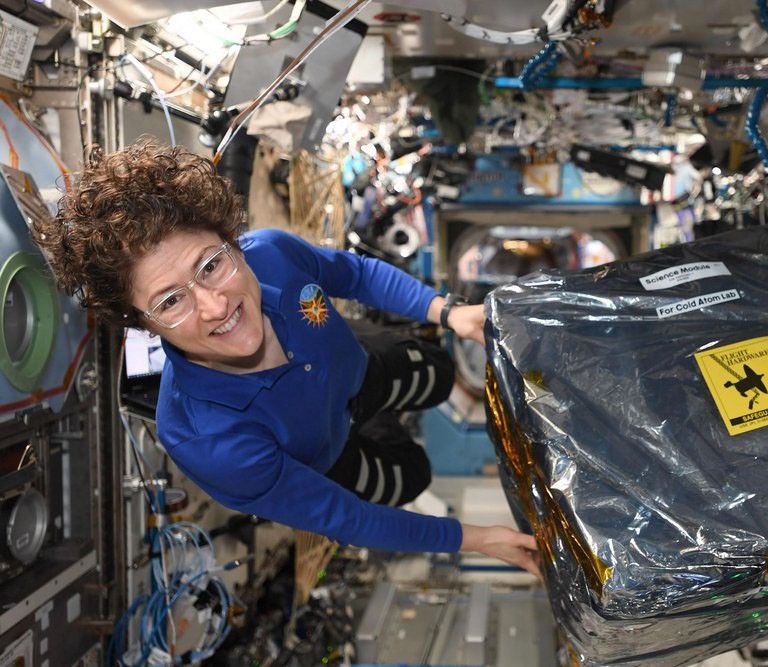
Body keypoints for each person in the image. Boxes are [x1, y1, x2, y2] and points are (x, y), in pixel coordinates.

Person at [35, 139, 539, 576]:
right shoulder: (209, 439)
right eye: (170, 301)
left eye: (211, 265)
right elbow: (347, 517)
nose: (215, 306)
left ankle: (384, 404)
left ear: (235, 244)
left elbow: (356, 275)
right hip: (327, 456)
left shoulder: (274, 255)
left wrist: (447, 312)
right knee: (413, 476)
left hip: (356, 372)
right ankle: (379, 435)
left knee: (440, 372)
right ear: (142, 325)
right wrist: (475, 539)